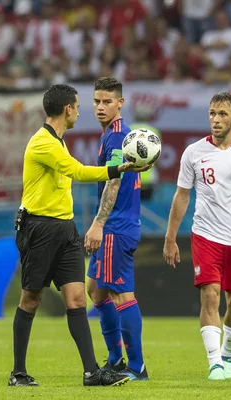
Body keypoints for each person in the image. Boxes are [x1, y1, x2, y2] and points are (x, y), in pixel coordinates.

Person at [10, 84, 149, 387]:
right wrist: (116, 170)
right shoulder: (43, 143)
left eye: (104, 101)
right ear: (67, 109)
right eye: (80, 104)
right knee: (31, 299)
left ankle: (92, 372)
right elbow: (77, 171)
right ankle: (18, 373)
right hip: (40, 228)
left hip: (65, 228)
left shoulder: (60, 141)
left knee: (77, 299)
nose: (85, 109)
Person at [163, 92, 231, 380]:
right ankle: (214, 364)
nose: (216, 119)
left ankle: (227, 355)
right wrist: (170, 237)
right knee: (209, 296)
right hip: (205, 235)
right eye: (212, 113)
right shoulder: (193, 153)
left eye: (223, 114)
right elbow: (182, 197)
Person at [84, 77, 149, 381]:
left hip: (114, 227)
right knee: (95, 291)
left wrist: (98, 224)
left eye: (107, 101)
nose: (100, 106)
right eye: (97, 101)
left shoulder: (116, 137)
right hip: (118, 224)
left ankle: (136, 366)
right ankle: (114, 359)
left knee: (122, 295)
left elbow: (114, 180)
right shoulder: (116, 135)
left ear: (120, 103)